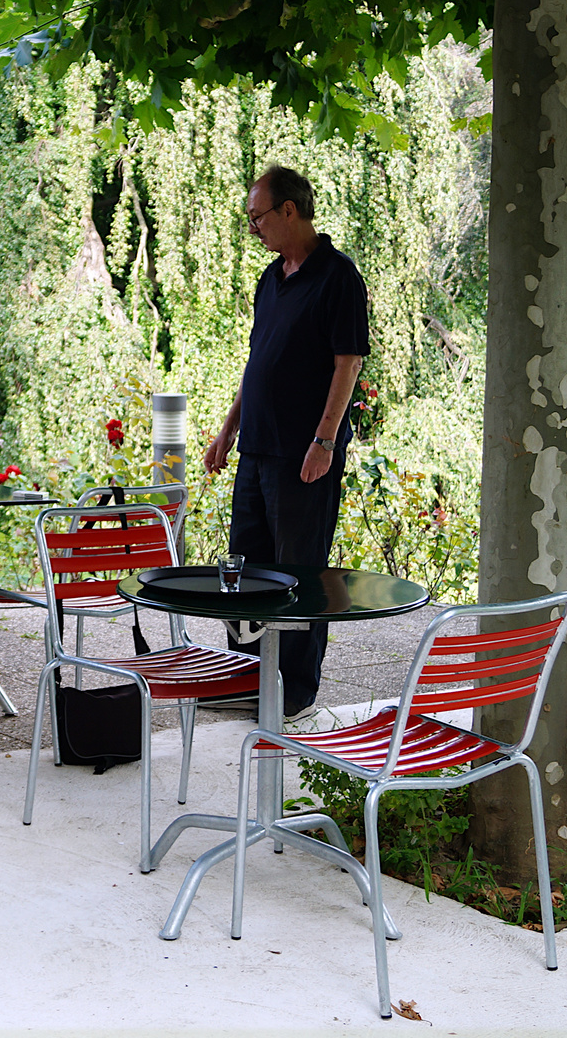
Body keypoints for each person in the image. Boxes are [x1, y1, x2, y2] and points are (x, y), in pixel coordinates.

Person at [203, 165, 369, 722]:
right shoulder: (271, 279)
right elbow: (259, 363)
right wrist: (228, 429)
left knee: (298, 573)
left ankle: (295, 691)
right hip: (257, 450)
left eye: (258, 217)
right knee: (243, 568)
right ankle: (245, 678)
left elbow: (348, 362)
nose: (254, 228)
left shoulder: (338, 277)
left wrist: (324, 440)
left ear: (289, 211)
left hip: (305, 456)